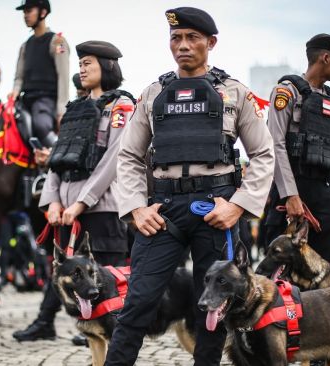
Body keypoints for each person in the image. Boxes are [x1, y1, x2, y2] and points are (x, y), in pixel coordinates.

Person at [105, 8, 274, 365]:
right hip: (161, 213)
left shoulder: (234, 93)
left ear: (211, 43)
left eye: (192, 38)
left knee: (212, 309)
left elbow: (263, 153)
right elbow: (129, 157)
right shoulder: (153, 94)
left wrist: (238, 206)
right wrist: (136, 209)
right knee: (138, 302)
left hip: (218, 211)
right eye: (176, 38)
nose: (183, 45)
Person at [12, 40, 135, 342]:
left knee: (108, 277)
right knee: (64, 271)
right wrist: (51, 200)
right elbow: (58, 160)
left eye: (88, 63)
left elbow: (113, 161)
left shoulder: (122, 108)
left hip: (102, 210)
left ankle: (107, 331)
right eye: (80, 63)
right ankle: (45, 322)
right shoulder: (75, 110)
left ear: (106, 67)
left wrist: (81, 203)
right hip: (65, 212)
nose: (81, 67)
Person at [266, 33, 330, 262]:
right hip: (294, 189)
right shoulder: (287, 91)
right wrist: (290, 195)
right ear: (325, 57)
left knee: (328, 267)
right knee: (284, 266)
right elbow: (276, 145)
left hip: (326, 193)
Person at [8, 0, 70, 147]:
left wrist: (62, 111)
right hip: (26, 100)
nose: (25, 15)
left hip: (47, 101)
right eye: (24, 12)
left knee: (40, 126)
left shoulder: (57, 41)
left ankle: (59, 155)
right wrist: (15, 92)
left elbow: (63, 77)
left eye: (29, 11)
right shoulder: (25, 46)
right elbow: (19, 78)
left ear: (42, 12)